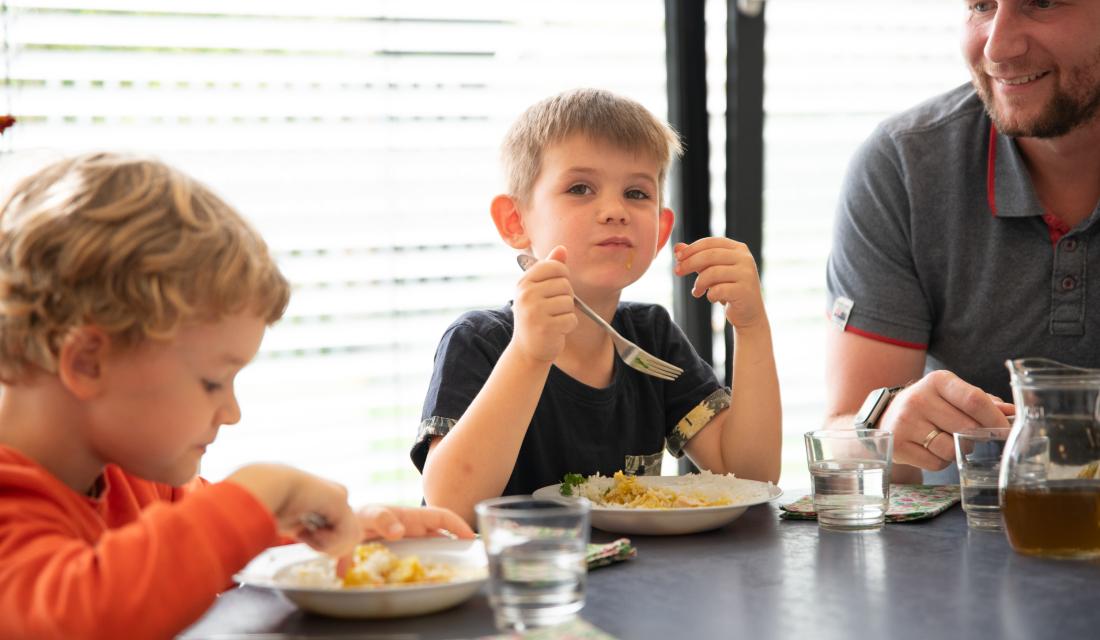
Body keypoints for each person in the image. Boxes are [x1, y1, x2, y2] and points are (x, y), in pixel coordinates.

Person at [0, 153, 472, 640]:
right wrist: (261, 490)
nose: (231, 413)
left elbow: (202, 550)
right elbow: (83, 613)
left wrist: (344, 527)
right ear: (87, 363)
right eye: (212, 382)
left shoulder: (135, 478)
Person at [411, 88, 781, 523]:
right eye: (581, 188)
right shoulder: (480, 341)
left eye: (637, 193)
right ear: (516, 222)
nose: (614, 210)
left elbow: (749, 477)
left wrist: (751, 327)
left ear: (661, 231)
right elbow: (450, 507)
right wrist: (529, 355)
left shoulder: (651, 336)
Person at [824, 2, 1100, 482]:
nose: (997, 46)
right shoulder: (904, 166)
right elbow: (842, 437)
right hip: (960, 544)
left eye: (1042, 2)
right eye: (981, 5)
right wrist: (885, 429)